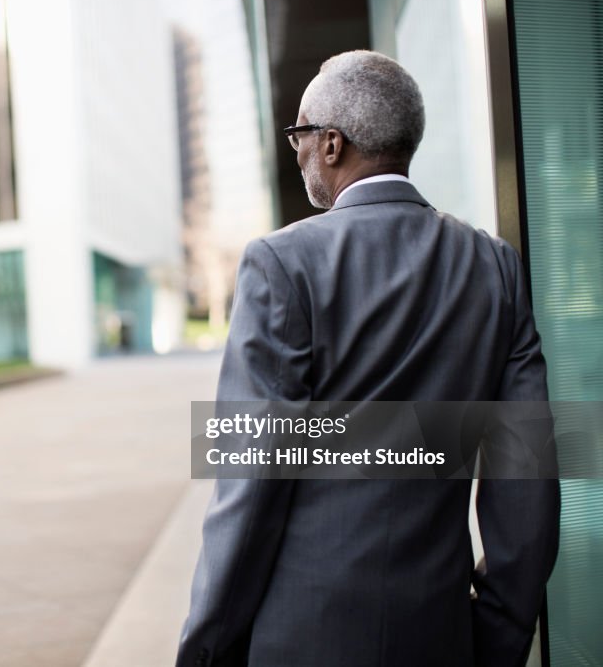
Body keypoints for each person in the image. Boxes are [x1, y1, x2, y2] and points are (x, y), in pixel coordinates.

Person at [175, 50, 560, 667]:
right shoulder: (495, 266)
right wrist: (496, 635)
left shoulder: (281, 265)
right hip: (441, 636)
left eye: (300, 133)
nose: (296, 150)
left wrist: (205, 648)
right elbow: (528, 482)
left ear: (332, 144)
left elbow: (250, 488)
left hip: (299, 641)